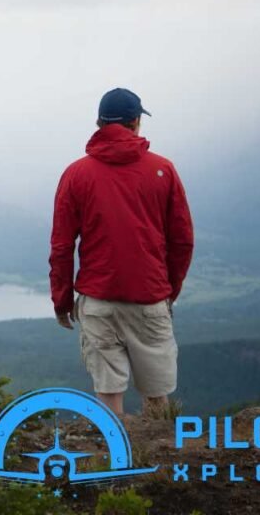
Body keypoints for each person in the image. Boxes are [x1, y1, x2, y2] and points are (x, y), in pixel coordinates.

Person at [49, 88, 194, 417]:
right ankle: (157, 463)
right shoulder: (163, 170)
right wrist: (168, 289)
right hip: (150, 298)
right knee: (157, 394)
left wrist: (61, 300)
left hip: (98, 301)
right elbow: (182, 240)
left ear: (99, 123)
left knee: (109, 390)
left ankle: (112, 459)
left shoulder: (76, 174)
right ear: (136, 122)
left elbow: (61, 246)